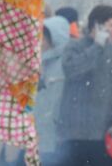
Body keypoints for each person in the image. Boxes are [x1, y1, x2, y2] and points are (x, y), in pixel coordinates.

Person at [58, 4, 112, 166]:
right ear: (97, 25)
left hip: (101, 135)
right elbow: (72, 71)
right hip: (73, 132)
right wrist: (96, 47)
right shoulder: (75, 46)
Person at [35, 16, 74, 164]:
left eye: (43, 38)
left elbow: (52, 102)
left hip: (52, 134)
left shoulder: (62, 65)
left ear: (55, 39)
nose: (40, 41)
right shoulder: (42, 60)